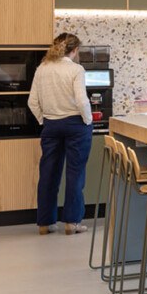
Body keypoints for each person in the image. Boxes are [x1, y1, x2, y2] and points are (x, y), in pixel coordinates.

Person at [28, 33, 94, 235]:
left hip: (51, 125)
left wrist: (43, 119)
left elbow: (32, 101)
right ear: (74, 51)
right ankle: (72, 223)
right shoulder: (76, 69)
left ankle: (45, 223)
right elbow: (82, 101)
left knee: (48, 173)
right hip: (75, 125)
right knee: (75, 174)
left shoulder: (42, 69)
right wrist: (88, 120)